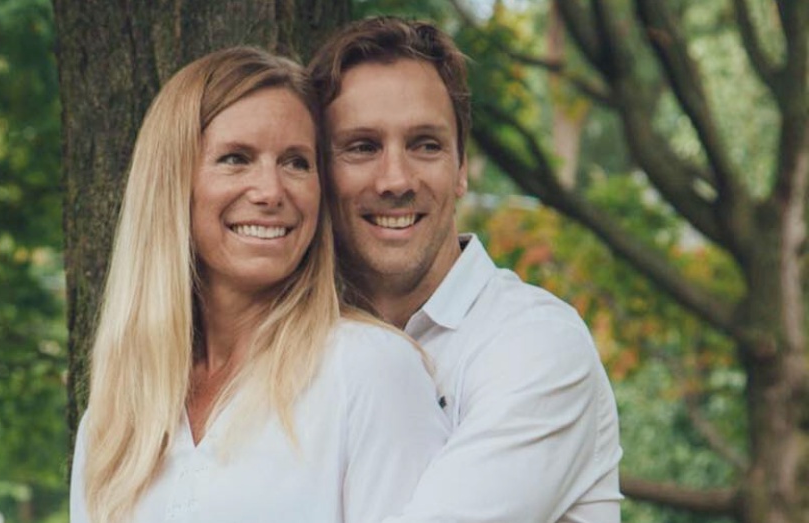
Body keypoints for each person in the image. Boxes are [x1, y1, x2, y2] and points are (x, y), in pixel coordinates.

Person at [68, 46, 449, 523]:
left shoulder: (367, 369)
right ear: (171, 183)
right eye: (236, 158)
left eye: (296, 163)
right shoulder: (117, 416)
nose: (271, 191)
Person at [309, 17, 623, 522]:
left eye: (425, 145)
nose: (395, 180)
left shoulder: (537, 345)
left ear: (460, 169)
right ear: (319, 173)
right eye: (363, 146)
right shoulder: (299, 343)